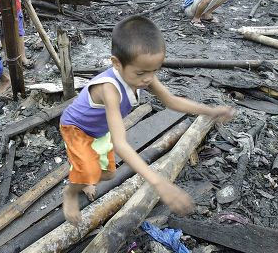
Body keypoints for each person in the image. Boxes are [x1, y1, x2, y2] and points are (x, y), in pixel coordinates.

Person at [60, 15, 235, 224]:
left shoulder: (144, 74)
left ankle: (81, 179)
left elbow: (171, 101)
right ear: (116, 63)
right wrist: (158, 182)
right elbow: (121, 144)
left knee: (107, 175)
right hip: (76, 128)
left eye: (155, 71)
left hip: (99, 130)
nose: (148, 79)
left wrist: (210, 110)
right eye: (141, 72)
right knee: (87, 171)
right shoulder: (110, 90)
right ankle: (70, 193)